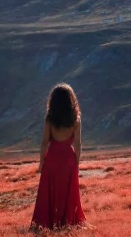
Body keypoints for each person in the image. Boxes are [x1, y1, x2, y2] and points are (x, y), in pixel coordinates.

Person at [30, 83, 87, 230]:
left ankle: (47, 224)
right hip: (68, 160)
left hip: (52, 159)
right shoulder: (76, 119)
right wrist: (77, 163)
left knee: (49, 192)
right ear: (71, 100)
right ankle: (67, 223)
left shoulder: (49, 119)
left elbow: (44, 142)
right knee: (68, 193)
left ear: (53, 100)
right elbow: (78, 144)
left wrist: (41, 163)